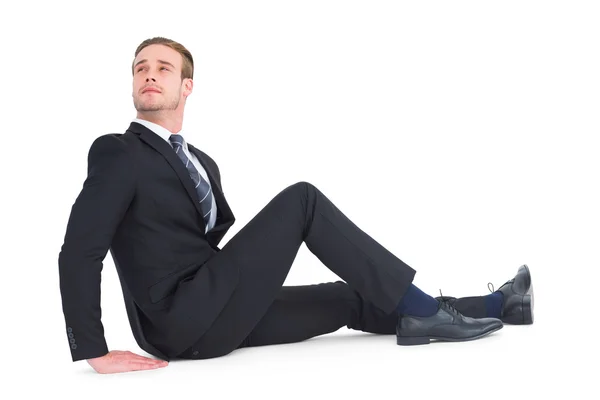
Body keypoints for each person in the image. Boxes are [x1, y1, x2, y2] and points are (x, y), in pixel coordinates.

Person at [58, 36, 534, 375]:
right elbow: (79, 250)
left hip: (220, 313)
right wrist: (92, 351)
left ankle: (498, 304)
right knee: (301, 201)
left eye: (163, 68)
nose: (148, 74)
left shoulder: (200, 162)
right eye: (140, 67)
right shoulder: (117, 151)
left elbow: (192, 240)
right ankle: (431, 314)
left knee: (349, 296)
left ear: (187, 86)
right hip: (180, 320)